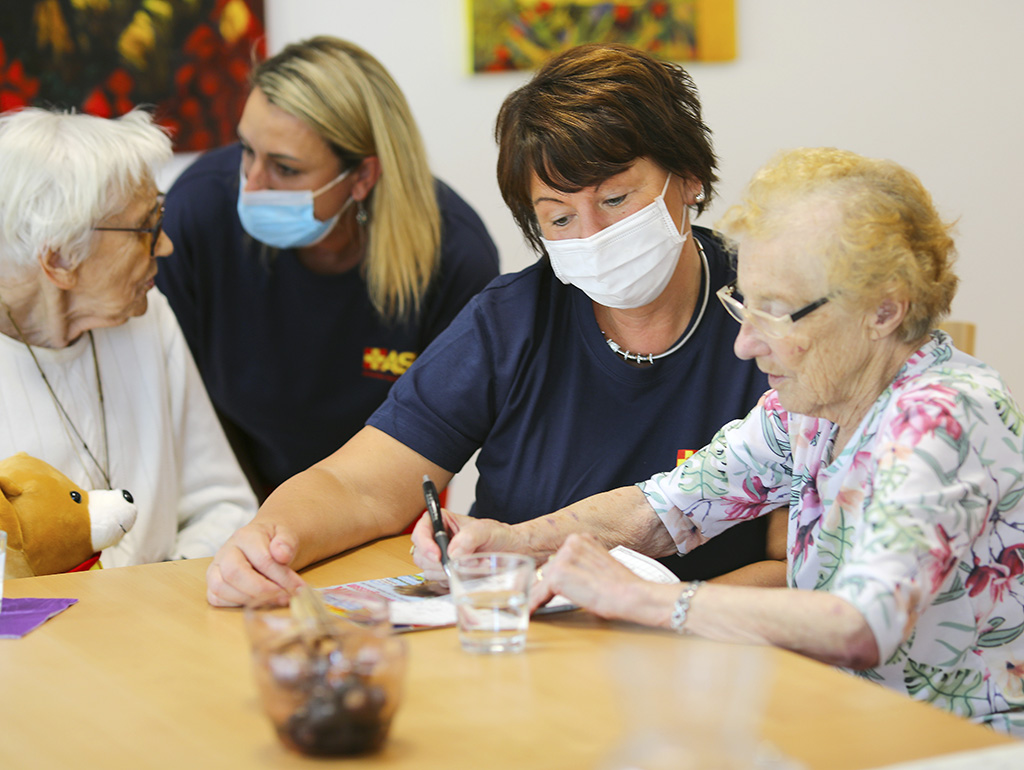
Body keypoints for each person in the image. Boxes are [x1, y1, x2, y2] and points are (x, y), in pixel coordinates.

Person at [415, 147, 1024, 735]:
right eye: (744, 306)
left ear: (884, 310)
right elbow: (663, 509)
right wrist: (512, 542)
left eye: (777, 313)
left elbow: (861, 626)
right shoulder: (813, 410)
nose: (745, 345)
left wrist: (648, 601)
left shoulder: (940, 419)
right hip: (842, 721)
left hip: (953, 745)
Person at [205, 43, 779, 608]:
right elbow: (359, 485)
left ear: (688, 178)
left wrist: (652, 610)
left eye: (615, 199)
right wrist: (269, 538)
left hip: (718, 663)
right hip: (524, 651)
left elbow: (803, 565)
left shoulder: (771, 318)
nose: (591, 235)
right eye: (558, 215)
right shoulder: (514, 321)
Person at [156, 36, 500, 498]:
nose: (252, 184)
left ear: (362, 177)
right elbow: (180, 410)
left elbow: (432, 445)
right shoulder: (198, 213)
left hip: (380, 500)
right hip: (229, 496)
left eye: (285, 168)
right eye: (246, 150)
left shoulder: (454, 257)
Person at [0, 107, 256, 568]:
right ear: (59, 260)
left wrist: (156, 595)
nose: (165, 245)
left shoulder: (148, 315)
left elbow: (224, 507)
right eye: (146, 228)